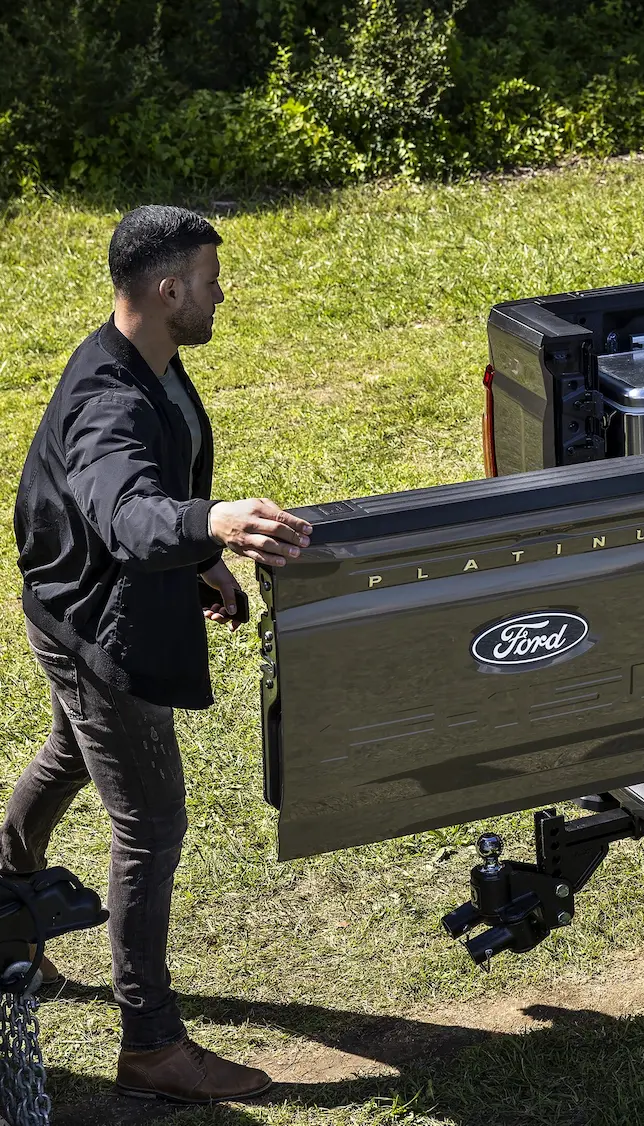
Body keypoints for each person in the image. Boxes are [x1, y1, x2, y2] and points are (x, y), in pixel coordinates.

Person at [0, 205, 313, 1104]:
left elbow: (151, 502)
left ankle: (7, 912)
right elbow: (125, 511)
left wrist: (200, 557)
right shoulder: (109, 398)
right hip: (98, 629)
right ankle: (151, 1044)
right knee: (149, 826)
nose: (223, 293)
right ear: (170, 289)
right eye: (212, 280)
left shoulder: (149, 360)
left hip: (73, 605)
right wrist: (206, 523)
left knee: (67, 756)